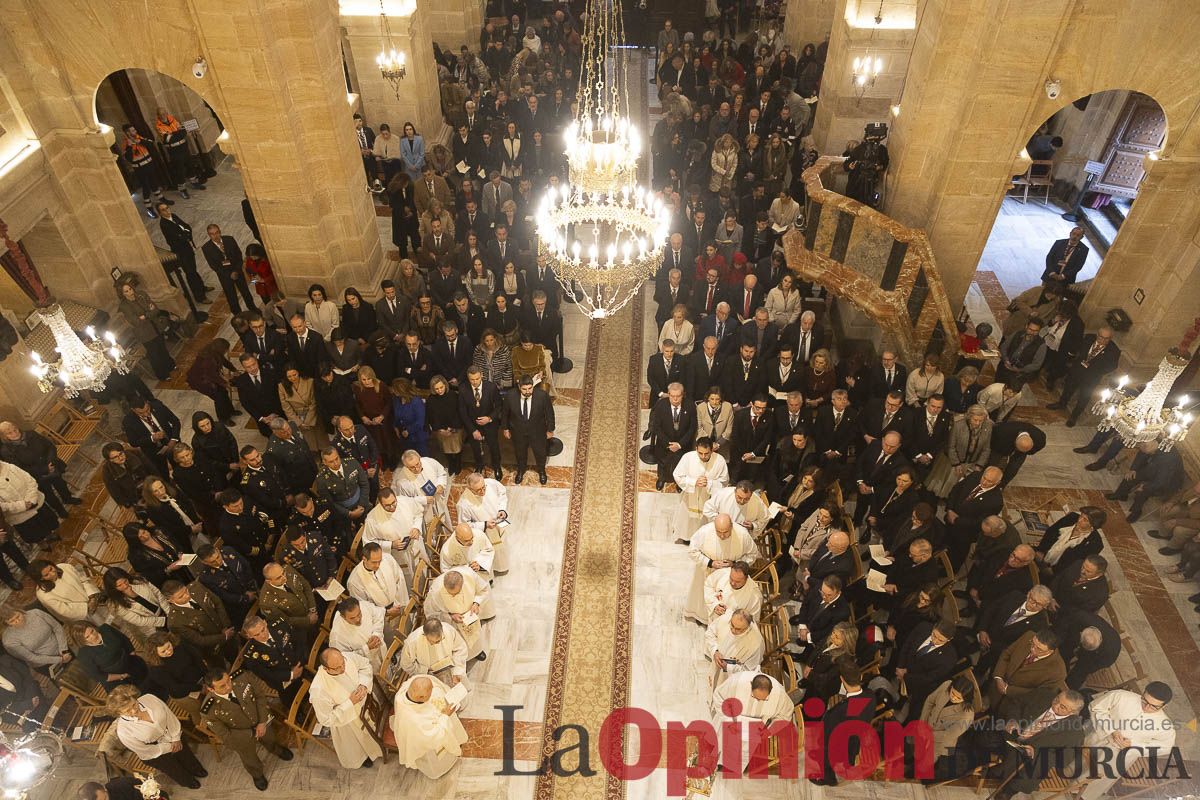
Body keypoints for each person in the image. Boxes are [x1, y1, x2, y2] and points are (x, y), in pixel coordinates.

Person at [200, 667, 293, 790]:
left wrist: (262, 722)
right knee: (249, 757)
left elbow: (259, 696)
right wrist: (252, 733)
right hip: (242, 736)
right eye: (222, 686)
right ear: (211, 689)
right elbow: (226, 734)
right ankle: (257, 774)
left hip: (260, 720)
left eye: (228, 681)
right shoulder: (209, 710)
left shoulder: (242, 677)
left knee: (270, 738)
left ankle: (276, 749)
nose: (229, 686)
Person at [109, 684, 207, 789]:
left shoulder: (149, 698)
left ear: (135, 697)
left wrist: (175, 738)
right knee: (173, 768)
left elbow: (169, 715)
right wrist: (169, 747)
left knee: (185, 753)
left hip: (171, 733)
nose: (134, 711)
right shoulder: (123, 731)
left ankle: (195, 768)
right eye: (127, 711)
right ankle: (188, 781)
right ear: (119, 713)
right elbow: (144, 750)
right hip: (153, 752)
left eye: (134, 704)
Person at [309, 648, 383, 769]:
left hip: (366, 705)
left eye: (343, 663)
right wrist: (350, 703)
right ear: (326, 668)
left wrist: (363, 684)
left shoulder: (347, 657)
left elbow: (365, 665)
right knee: (356, 745)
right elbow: (326, 719)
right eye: (337, 668)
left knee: (375, 731)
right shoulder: (319, 690)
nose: (343, 669)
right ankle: (363, 758)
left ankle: (379, 745)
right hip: (348, 721)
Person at [391, 674, 470, 778]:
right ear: (421, 697)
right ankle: (441, 769)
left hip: (431, 717)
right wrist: (446, 716)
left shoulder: (408, 688)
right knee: (437, 760)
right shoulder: (414, 720)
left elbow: (428, 681)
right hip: (428, 747)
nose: (433, 692)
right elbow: (434, 738)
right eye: (430, 692)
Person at [684, 514, 758, 623]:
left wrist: (735, 564)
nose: (722, 536)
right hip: (708, 571)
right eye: (719, 532)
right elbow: (692, 550)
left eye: (726, 532)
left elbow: (752, 554)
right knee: (704, 594)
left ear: (732, 526)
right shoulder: (705, 531)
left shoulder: (742, 534)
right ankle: (702, 617)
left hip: (731, 575)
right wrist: (710, 562)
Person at [0, 421, 80, 518]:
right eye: (10, 433)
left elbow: (50, 447)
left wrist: (50, 462)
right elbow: (21, 468)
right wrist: (45, 469)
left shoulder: (31, 434)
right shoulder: (6, 451)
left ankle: (67, 498)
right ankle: (60, 511)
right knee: (49, 495)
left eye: (15, 429)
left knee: (61, 484)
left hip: (51, 465)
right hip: (37, 475)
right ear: (5, 437)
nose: (15, 433)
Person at [1048, 326, 1121, 426]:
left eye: (1106, 338)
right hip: (1077, 370)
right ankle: (1061, 404)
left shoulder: (1114, 350)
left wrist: (1097, 371)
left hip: (1091, 377)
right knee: (1068, 388)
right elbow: (1078, 348)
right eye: (1101, 337)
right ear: (1097, 335)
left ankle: (1074, 417)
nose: (1102, 340)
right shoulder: (1088, 338)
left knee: (1084, 397)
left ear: (1110, 338)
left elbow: (1112, 366)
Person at [423, 566, 492, 661]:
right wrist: (450, 616)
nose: (453, 596)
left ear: (462, 584)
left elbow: (483, 590)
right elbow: (431, 613)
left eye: (456, 593)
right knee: (460, 642)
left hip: (471, 616)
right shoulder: (436, 591)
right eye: (450, 594)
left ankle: (477, 651)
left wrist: (476, 603)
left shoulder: (469, 576)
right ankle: (463, 659)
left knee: (475, 638)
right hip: (454, 623)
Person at [163, 579, 236, 668]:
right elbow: (199, 639)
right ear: (170, 600)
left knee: (236, 656)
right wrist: (224, 636)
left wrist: (225, 626)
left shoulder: (196, 587)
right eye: (181, 596)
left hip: (226, 631)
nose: (187, 596)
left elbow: (217, 603)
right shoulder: (175, 621)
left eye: (186, 590)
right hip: (212, 648)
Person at [671, 437, 730, 540]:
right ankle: (687, 537)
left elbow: (724, 481)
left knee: (705, 521)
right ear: (696, 448)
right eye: (700, 453)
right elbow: (677, 475)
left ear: (712, 450)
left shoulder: (720, 460)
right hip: (690, 496)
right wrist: (694, 482)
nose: (703, 456)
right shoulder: (688, 457)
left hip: (709, 497)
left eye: (706, 453)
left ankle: (704, 539)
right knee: (687, 520)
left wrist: (709, 483)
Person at [116, 281, 175, 379]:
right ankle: (162, 375)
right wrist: (149, 312)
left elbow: (156, 309)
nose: (130, 292)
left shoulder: (141, 295)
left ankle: (170, 366)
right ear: (122, 294)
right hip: (144, 332)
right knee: (154, 354)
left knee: (162, 347)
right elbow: (136, 322)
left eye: (130, 289)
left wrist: (145, 316)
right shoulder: (124, 306)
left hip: (155, 326)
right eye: (126, 291)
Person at [456, 472, 511, 574]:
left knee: (503, 546)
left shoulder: (490, 483)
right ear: (470, 489)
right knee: (492, 553)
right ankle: (495, 569)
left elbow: (502, 493)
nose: (483, 492)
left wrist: (502, 509)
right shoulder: (463, 504)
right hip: (485, 533)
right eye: (478, 490)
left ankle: (503, 564)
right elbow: (465, 526)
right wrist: (484, 525)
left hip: (499, 523)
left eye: (483, 487)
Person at [67, 621, 147, 690]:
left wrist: (133, 658)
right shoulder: (83, 655)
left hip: (130, 661)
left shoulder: (106, 629)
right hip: (115, 679)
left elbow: (125, 640)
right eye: (87, 637)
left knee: (147, 680)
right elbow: (98, 676)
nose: (93, 636)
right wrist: (122, 676)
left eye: (92, 631)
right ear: (82, 641)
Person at [0, 460, 61, 548]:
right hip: (20, 515)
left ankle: (50, 535)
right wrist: (22, 505)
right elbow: (2, 506)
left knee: (48, 522)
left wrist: (31, 499)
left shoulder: (10, 467)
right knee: (34, 534)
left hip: (35, 502)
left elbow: (30, 480)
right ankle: (42, 544)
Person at [399, 617, 470, 691]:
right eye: (431, 641)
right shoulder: (413, 641)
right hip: (427, 673)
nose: (435, 644)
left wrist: (457, 670)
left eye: (439, 641)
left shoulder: (448, 630)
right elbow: (406, 663)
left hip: (451, 667)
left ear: (442, 631)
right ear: (424, 634)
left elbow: (460, 649)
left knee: (459, 691)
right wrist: (424, 670)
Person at [649, 382, 697, 489]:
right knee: (662, 462)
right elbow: (657, 427)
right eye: (672, 396)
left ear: (682, 395)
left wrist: (679, 444)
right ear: (669, 394)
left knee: (681, 463)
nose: (675, 399)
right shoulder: (661, 406)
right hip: (664, 443)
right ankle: (661, 478)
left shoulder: (690, 406)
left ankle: (679, 482)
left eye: (678, 396)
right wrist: (669, 444)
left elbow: (692, 428)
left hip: (683, 443)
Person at [102, 567, 168, 643]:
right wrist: (164, 621)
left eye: (125, 581)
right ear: (113, 588)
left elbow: (157, 593)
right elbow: (139, 620)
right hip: (154, 626)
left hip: (164, 610)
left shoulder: (138, 581)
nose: (125, 586)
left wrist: (168, 611)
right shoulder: (117, 605)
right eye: (120, 585)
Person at [392, 448, 452, 531]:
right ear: (406, 466)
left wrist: (440, 484)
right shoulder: (402, 482)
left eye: (418, 464)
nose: (417, 469)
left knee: (442, 523)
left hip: (438, 501)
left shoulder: (429, 462)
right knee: (430, 532)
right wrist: (423, 500)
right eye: (412, 467)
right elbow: (405, 502)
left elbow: (441, 473)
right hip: (424, 511)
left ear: (420, 458)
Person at [705, 608, 765, 692]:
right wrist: (715, 651)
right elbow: (710, 633)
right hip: (716, 664)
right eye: (732, 625)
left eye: (738, 629)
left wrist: (728, 667)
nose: (733, 630)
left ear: (748, 627)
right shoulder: (726, 618)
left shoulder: (756, 644)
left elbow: (749, 671)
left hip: (731, 678)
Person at [201, 224, 256, 313]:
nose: (215, 236)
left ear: (220, 232)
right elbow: (214, 266)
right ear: (209, 235)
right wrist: (229, 274)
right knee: (231, 297)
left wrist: (236, 271)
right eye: (212, 234)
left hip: (237, 271)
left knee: (246, 293)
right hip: (225, 276)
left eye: (217, 233)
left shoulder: (229, 239)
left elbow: (238, 255)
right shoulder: (206, 248)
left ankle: (253, 309)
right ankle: (238, 315)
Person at [459, 366, 503, 477]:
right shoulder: (463, 389)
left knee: (494, 446)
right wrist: (473, 430)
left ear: (481, 375)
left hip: (489, 424)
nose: (475, 382)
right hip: (473, 425)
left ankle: (497, 466)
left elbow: (499, 406)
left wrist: (489, 418)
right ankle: (479, 465)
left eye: (477, 379)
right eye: (472, 379)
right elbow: (462, 412)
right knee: (475, 447)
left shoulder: (491, 387)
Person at [2, 607, 70, 673]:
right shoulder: (8, 640)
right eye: (12, 621)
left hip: (63, 649)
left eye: (18, 616)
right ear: (6, 623)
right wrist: (60, 659)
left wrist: (64, 650)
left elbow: (57, 627)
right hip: (45, 663)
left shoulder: (36, 613)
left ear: (20, 611)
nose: (17, 621)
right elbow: (31, 657)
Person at [329, 596, 387, 672]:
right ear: (343, 617)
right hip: (367, 662)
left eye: (359, 614)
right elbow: (345, 659)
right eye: (352, 618)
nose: (358, 619)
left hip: (381, 647)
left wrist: (376, 633)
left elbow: (378, 614)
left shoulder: (363, 605)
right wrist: (367, 648)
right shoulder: (337, 636)